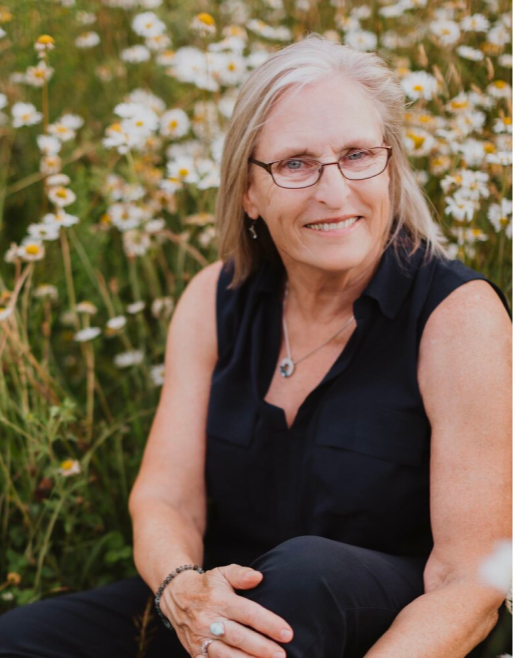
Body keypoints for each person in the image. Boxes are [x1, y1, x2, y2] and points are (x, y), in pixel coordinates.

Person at [1, 32, 513, 658]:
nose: (334, 192)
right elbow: (165, 499)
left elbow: (471, 581)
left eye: (357, 154)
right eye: (295, 163)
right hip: (220, 607)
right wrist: (182, 590)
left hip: (389, 625)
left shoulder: (458, 318)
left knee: (301, 577)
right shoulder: (214, 299)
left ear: (391, 166)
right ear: (248, 191)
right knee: (19, 641)